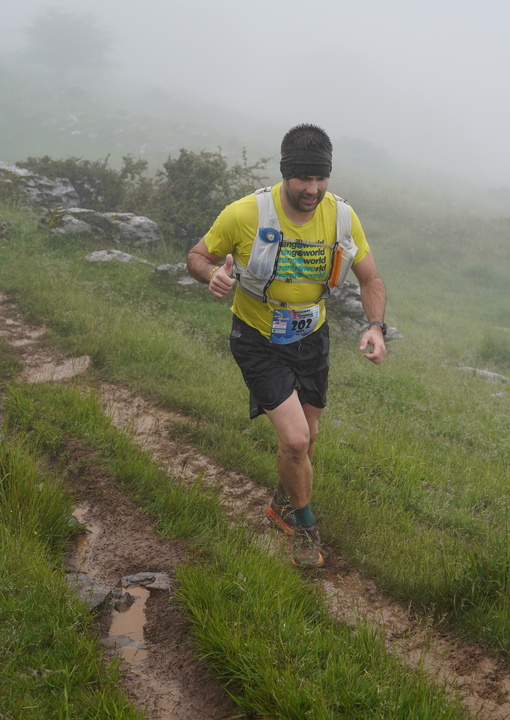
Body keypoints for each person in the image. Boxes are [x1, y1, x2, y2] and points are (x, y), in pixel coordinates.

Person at [186, 123, 387, 568]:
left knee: (309, 437)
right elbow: (197, 256)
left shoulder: (341, 217)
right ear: (285, 174)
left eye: (321, 178)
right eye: (303, 179)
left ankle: (282, 502)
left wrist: (375, 326)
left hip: (312, 337)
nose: (312, 189)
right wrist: (212, 274)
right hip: (257, 337)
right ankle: (305, 525)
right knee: (296, 441)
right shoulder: (245, 213)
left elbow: (370, 278)